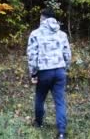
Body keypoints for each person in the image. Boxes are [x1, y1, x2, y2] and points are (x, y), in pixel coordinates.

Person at [27, 8, 72, 138]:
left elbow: (32, 56)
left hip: (44, 72)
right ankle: (62, 132)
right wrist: (65, 68)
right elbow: (67, 54)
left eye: (40, 18)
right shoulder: (62, 34)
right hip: (60, 71)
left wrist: (33, 74)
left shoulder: (35, 34)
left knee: (40, 98)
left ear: (43, 18)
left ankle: (39, 123)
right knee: (60, 101)